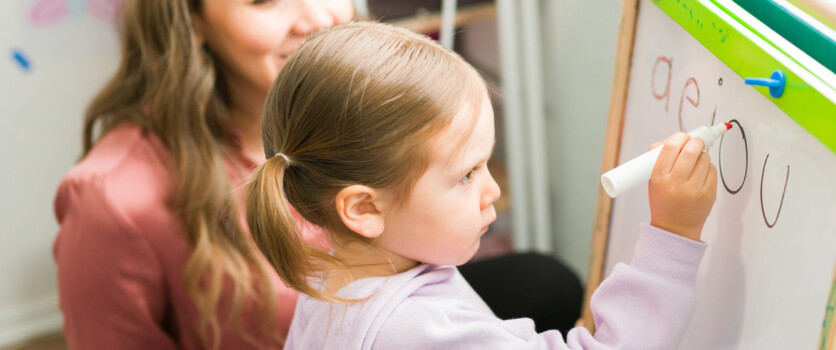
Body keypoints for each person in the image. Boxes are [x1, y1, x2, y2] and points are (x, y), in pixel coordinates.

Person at [52, 1, 578, 349]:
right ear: (190, 20)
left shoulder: (361, 125)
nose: (318, 15)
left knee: (543, 281)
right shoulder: (111, 197)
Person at [245, 22, 718, 348]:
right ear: (365, 210)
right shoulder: (421, 332)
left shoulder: (332, 271)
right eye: (467, 174)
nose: (492, 191)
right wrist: (672, 234)